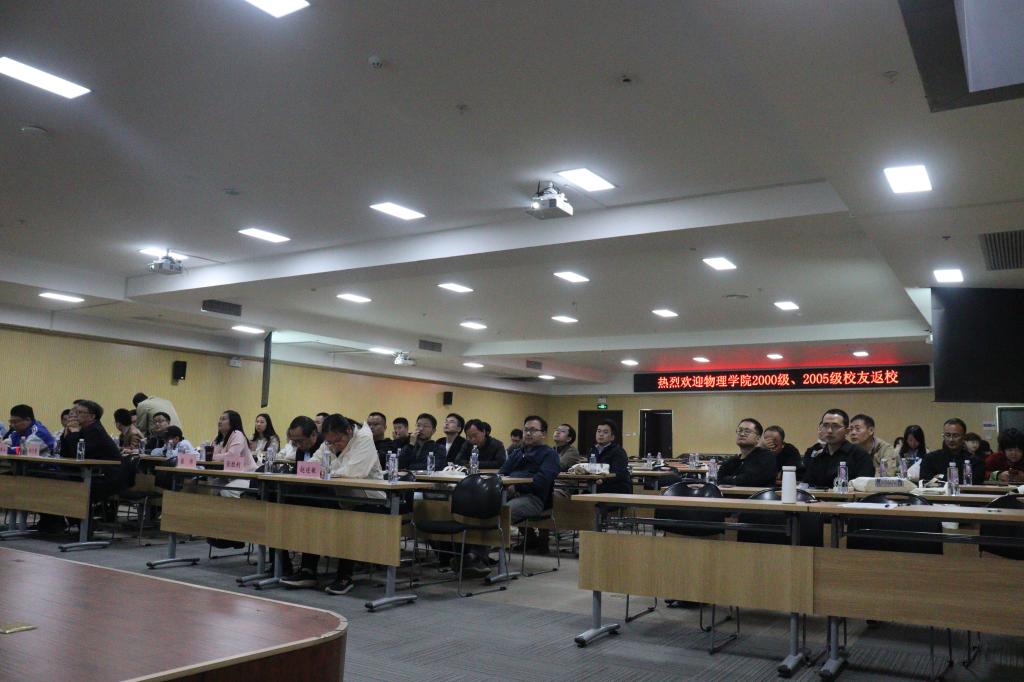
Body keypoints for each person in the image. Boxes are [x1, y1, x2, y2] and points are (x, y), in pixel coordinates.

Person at [288, 413, 385, 595]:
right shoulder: (330, 440)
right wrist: (320, 469)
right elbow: (312, 464)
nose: (333, 446)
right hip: (341, 495)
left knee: (346, 520)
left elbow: (353, 472)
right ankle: (308, 571)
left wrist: (325, 471)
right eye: (329, 442)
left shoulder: (364, 439)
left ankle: (344, 576)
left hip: (369, 499)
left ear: (348, 431)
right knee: (312, 510)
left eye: (337, 441)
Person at [498, 416, 560, 547]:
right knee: (483, 506)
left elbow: (541, 482)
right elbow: (502, 473)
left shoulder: (549, 454)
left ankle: (481, 552)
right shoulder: (518, 452)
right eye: (525, 430)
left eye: (533, 430)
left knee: (504, 512)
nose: (528, 433)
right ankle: (472, 549)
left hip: (535, 499)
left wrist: (517, 486)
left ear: (543, 434)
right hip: (510, 494)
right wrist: (514, 483)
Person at [60, 400, 129, 501]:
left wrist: (74, 432)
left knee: (60, 481)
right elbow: (65, 454)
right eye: (74, 412)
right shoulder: (84, 429)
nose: (75, 415)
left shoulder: (95, 430)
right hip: (93, 473)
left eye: (79, 412)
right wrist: (67, 431)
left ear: (92, 417)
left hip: (106, 478)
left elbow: (78, 455)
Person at [800, 409, 873, 488]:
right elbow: (807, 485)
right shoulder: (818, 456)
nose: (829, 431)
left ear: (847, 431)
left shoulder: (860, 455)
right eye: (825, 425)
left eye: (835, 426)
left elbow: (865, 487)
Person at [919, 418, 987, 485]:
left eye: (955, 435)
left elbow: (975, 482)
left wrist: (941, 477)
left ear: (964, 437)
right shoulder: (930, 458)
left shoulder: (976, 461)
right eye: (947, 435)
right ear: (943, 436)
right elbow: (924, 482)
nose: (951, 439)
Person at [717, 418, 777, 487]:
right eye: (740, 430)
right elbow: (719, 479)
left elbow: (749, 480)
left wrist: (730, 479)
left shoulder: (767, 456)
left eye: (747, 431)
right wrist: (735, 479)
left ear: (758, 438)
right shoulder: (733, 460)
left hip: (756, 494)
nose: (742, 434)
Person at [588, 420, 632, 494]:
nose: (601, 434)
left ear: (612, 437)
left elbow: (619, 473)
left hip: (616, 487)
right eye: (599, 431)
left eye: (605, 432)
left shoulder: (618, 451)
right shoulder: (592, 450)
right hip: (597, 485)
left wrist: (602, 480)